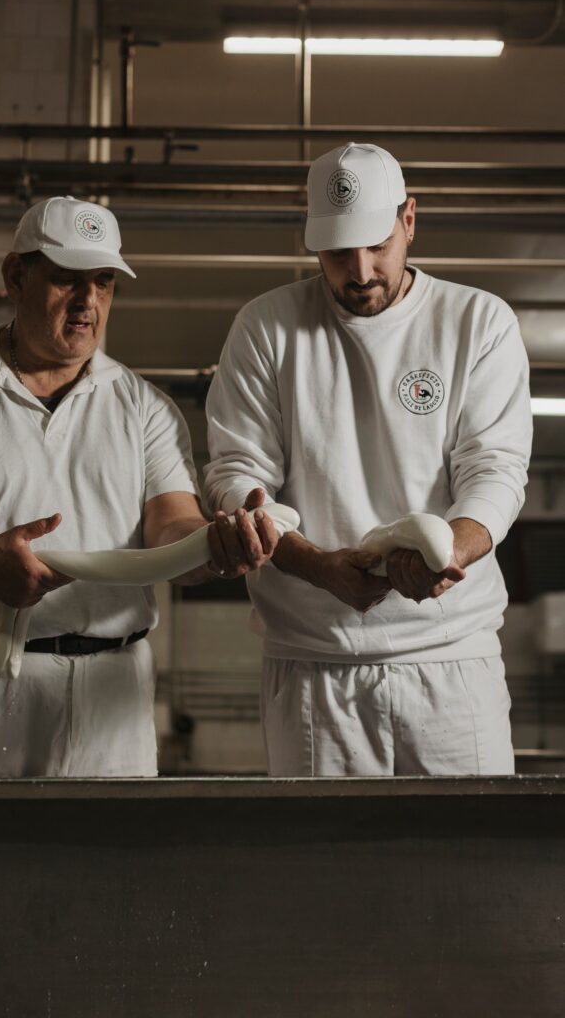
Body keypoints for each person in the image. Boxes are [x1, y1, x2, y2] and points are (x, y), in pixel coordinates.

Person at [0, 196, 278, 778]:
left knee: (106, 844)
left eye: (103, 282)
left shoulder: (145, 409)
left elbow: (171, 524)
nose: (87, 300)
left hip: (108, 699)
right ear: (15, 277)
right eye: (67, 279)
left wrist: (212, 545)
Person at [204, 142, 532, 777]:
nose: (359, 272)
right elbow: (237, 473)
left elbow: (494, 469)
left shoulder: (477, 322)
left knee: (470, 843)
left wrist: (450, 554)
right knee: (320, 847)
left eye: (378, 245)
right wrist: (315, 565)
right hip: (313, 660)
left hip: (450, 657)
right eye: (337, 253)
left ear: (409, 220)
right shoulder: (266, 328)